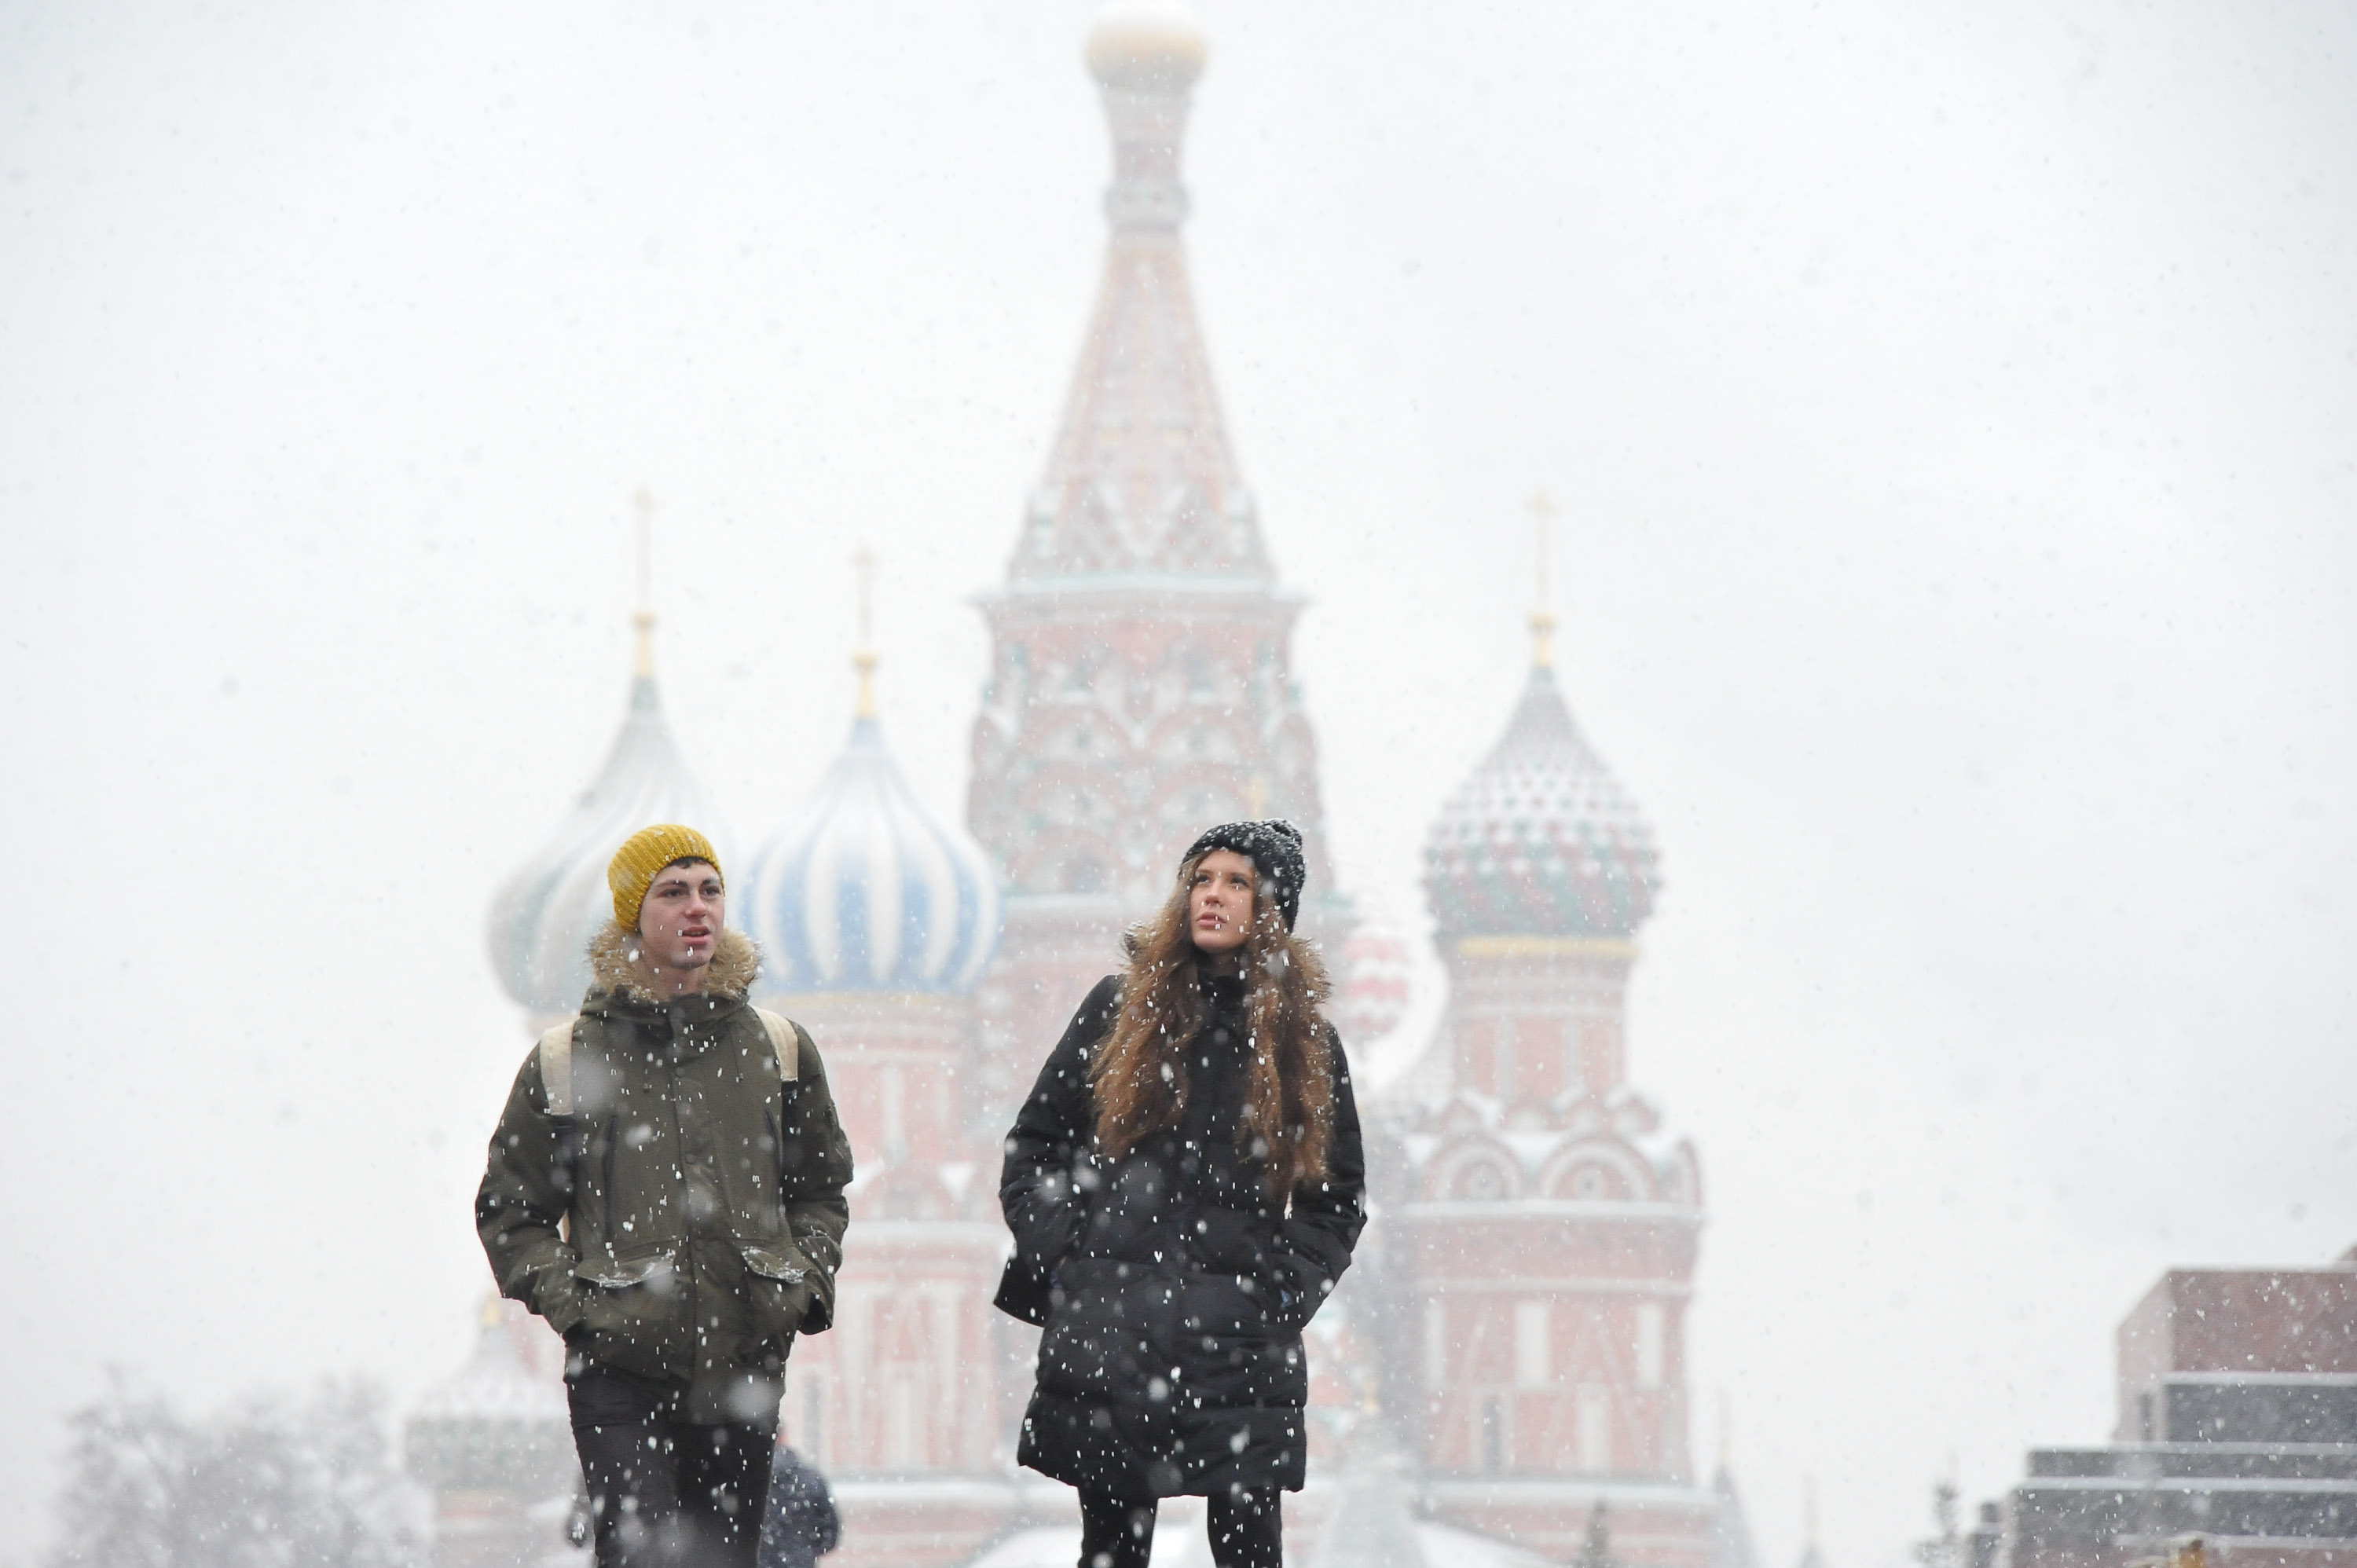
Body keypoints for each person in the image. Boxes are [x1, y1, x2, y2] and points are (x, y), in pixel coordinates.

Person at [478, 824, 855, 1568]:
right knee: (644, 1558)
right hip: (619, 1373)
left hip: (743, 1364)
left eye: (710, 890)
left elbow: (821, 1189)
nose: (697, 909)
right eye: (673, 891)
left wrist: (798, 1284)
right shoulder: (568, 1058)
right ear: (633, 914)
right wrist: (580, 1307)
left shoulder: (775, 1050)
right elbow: (510, 1211)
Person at [996, 820, 1367, 1568]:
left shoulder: (1304, 1043)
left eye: (1238, 883)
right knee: (1110, 1551)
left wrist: (1275, 1297)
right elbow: (1034, 1147)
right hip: (1112, 1335)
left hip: (1239, 1350)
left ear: (1272, 908)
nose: (1214, 896)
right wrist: (1075, 1259)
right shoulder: (1119, 1009)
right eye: (1203, 878)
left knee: (1249, 1552)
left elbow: (1335, 1201)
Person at [755, 1437, 841, 1568]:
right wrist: (806, 1552)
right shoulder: (810, 1480)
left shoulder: (746, 1483)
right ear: (784, 1438)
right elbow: (829, 1534)